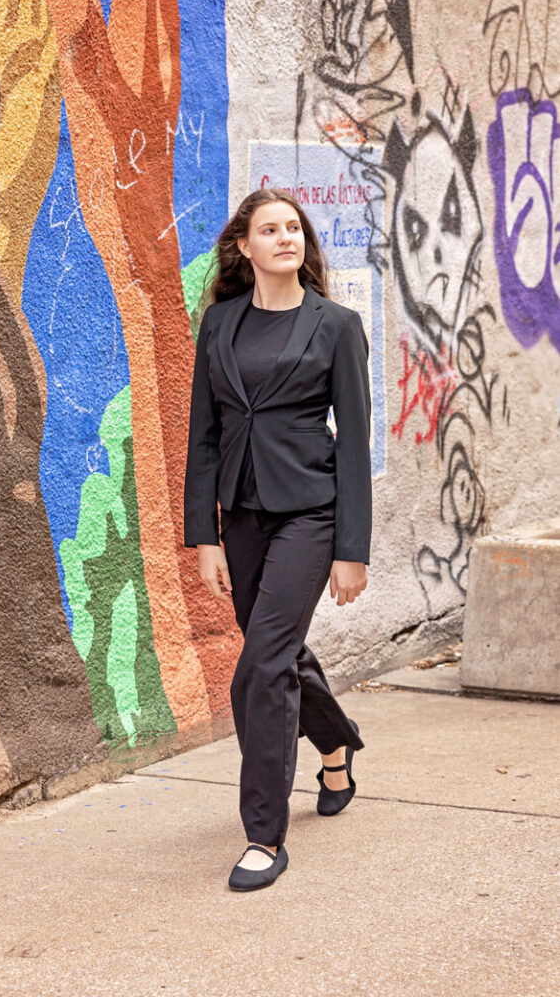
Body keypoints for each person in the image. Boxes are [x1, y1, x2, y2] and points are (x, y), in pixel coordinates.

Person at [183, 188, 372, 892]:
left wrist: (351, 549)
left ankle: (263, 834)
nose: (285, 237)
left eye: (293, 228)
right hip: (242, 519)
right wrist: (203, 534)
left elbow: (352, 443)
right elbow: (203, 435)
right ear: (244, 246)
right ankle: (333, 743)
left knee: (258, 667)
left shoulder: (335, 325)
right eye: (271, 229)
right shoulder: (220, 324)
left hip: (309, 515)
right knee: (280, 652)